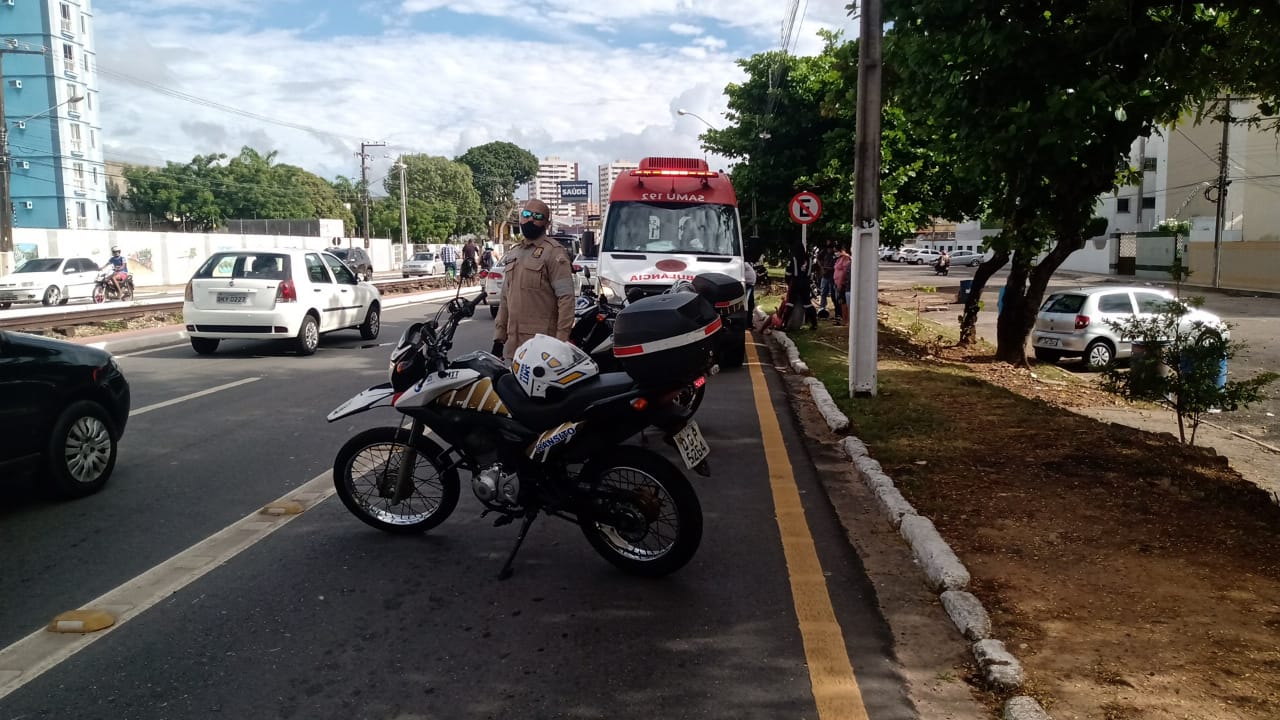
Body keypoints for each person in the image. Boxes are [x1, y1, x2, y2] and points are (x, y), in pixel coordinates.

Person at [491, 199, 576, 362]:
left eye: (537, 216)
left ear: (546, 223)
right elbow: (505, 300)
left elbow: (566, 299)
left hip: (542, 348)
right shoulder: (514, 253)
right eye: (526, 214)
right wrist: (499, 338)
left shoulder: (554, 253)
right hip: (513, 346)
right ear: (521, 218)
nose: (530, 219)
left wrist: (560, 342)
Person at [833, 244, 851, 326]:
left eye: (836, 251)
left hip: (842, 284)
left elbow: (844, 272)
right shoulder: (839, 259)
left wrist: (840, 284)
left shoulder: (846, 258)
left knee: (843, 303)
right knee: (840, 302)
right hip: (837, 283)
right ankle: (843, 319)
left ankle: (846, 320)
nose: (835, 253)